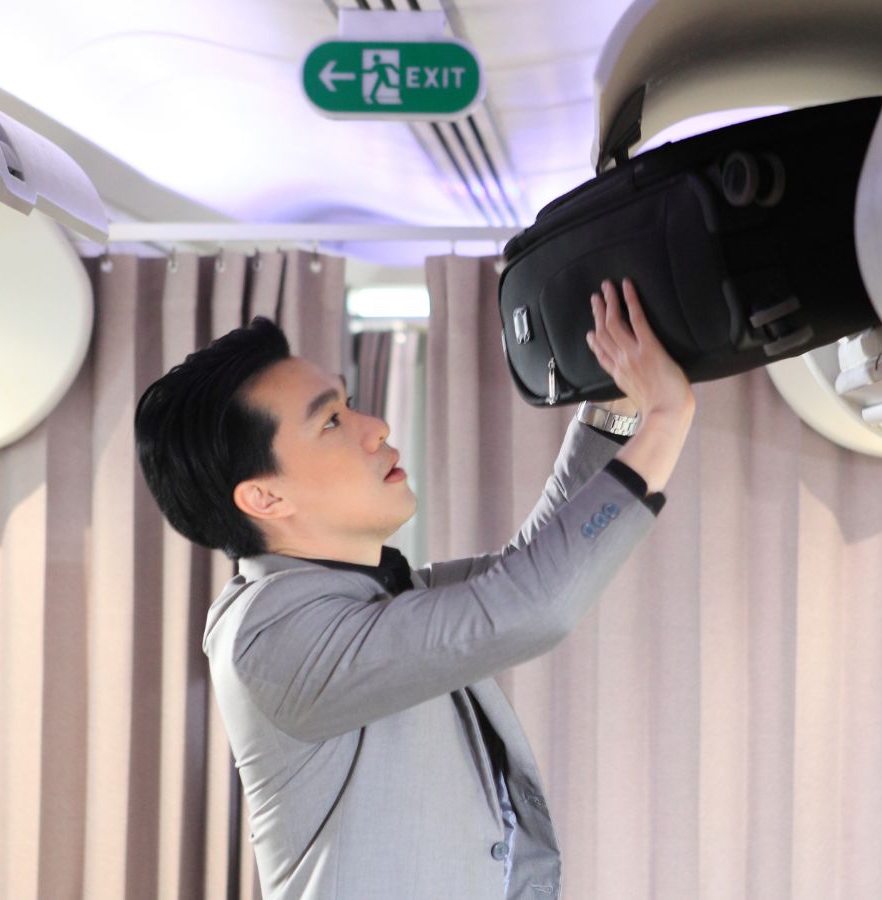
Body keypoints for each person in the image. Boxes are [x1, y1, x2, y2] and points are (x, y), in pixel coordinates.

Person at [133, 277, 694, 899]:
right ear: (265, 496)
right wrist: (665, 418)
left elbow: (527, 569)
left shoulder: (374, 598)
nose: (374, 426)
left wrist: (621, 404)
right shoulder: (265, 634)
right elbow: (530, 604)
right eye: (332, 421)